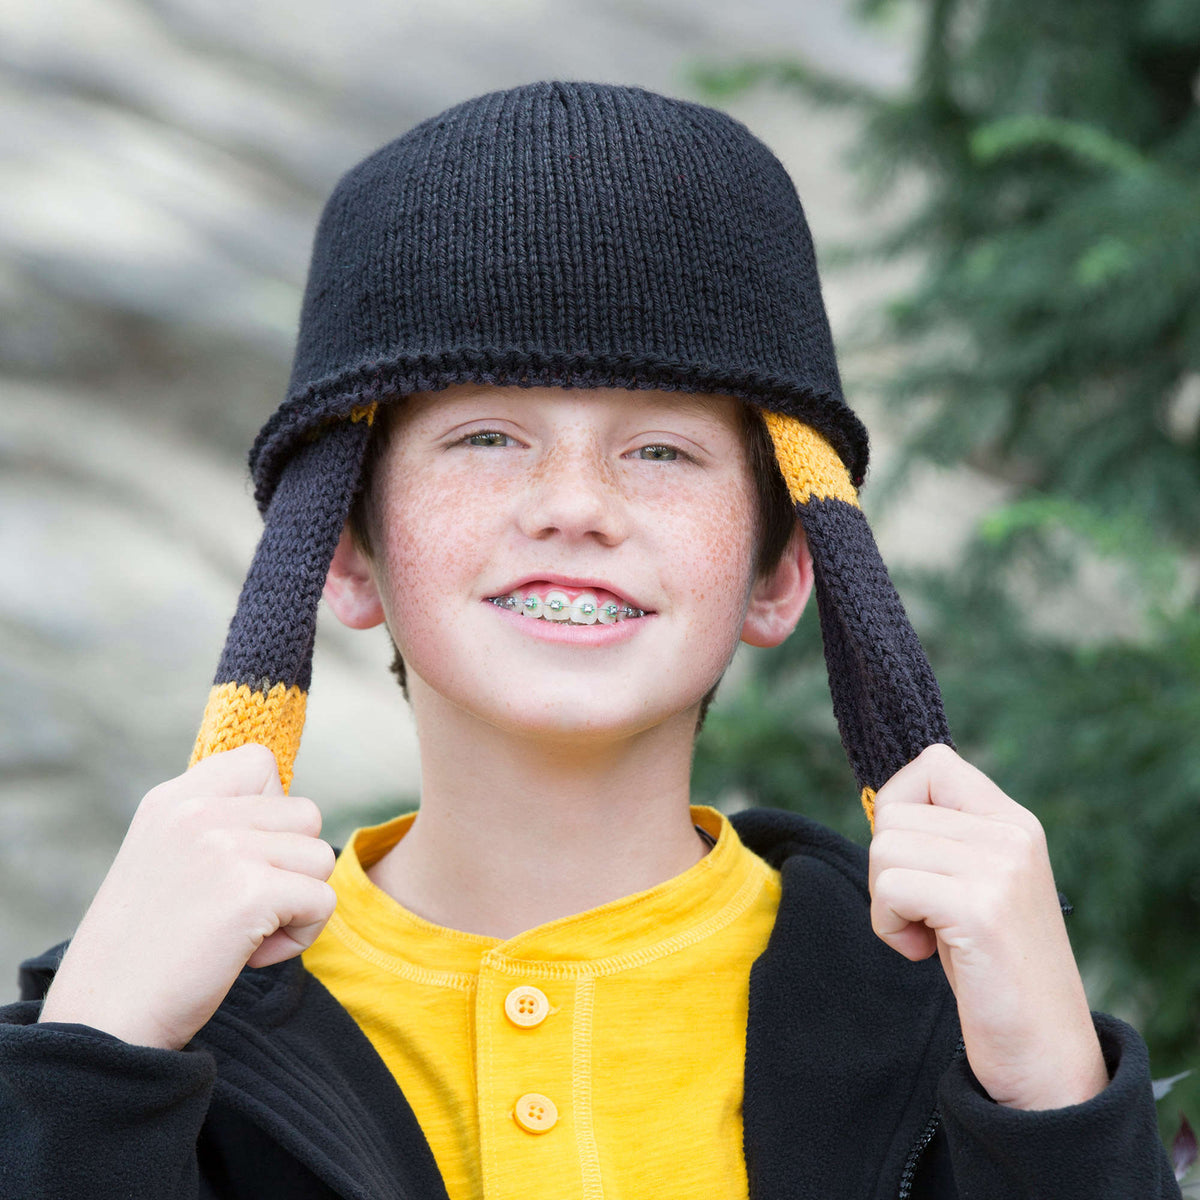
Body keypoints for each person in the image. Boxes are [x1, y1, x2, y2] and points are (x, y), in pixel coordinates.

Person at [0, 80, 1179, 1199]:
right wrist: (95, 1068)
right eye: (485, 437)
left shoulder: (940, 1015)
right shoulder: (152, 1014)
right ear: (343, 556)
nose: (575, 504)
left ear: (782, 574)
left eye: (660, 450)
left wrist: (1054, 1109)